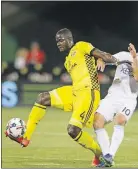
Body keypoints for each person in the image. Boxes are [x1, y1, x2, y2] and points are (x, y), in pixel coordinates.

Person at [5, 28, 120, 166]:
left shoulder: (81, 46)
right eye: (57, 41)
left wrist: (114, 60)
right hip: (74, 92)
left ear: (69, 39)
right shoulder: (67, 60)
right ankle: (26, 137)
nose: (58, 43)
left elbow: (101, 54)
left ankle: (99, 153)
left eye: (61, 40)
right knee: (43, 98)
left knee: (73, 130)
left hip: (88, 92)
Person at [93, 37, 138, 167]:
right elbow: (107, 58)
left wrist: (134, 58)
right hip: (112, 96)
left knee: (120, 120)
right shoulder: (124, 55)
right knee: (97, 122)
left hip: (128, 99)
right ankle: (106, 155)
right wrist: (100, 59)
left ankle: (110, 156)